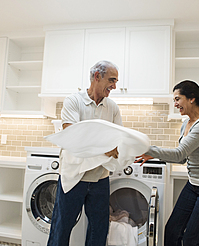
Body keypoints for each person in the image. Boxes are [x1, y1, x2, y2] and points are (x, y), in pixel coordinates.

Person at [136, 80, 199, 246]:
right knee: (172, 231)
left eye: (177, 99)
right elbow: (182, 158)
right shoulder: (186, 124)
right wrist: (153, 156)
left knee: (192, 240)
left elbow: (179, 153)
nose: (175, 104)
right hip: (195, 185)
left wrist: (146, 148)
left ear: (191, 99)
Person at [47, 60, 122, 246]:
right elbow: (72, 135)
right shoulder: (74, 101)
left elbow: (118, 139)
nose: (114, 86)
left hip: (100, 176)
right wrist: (105, 146)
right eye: (112, 80)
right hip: (74, 175)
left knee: (99, 228)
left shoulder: (112, 107)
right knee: (62, 226)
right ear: (97, 76)